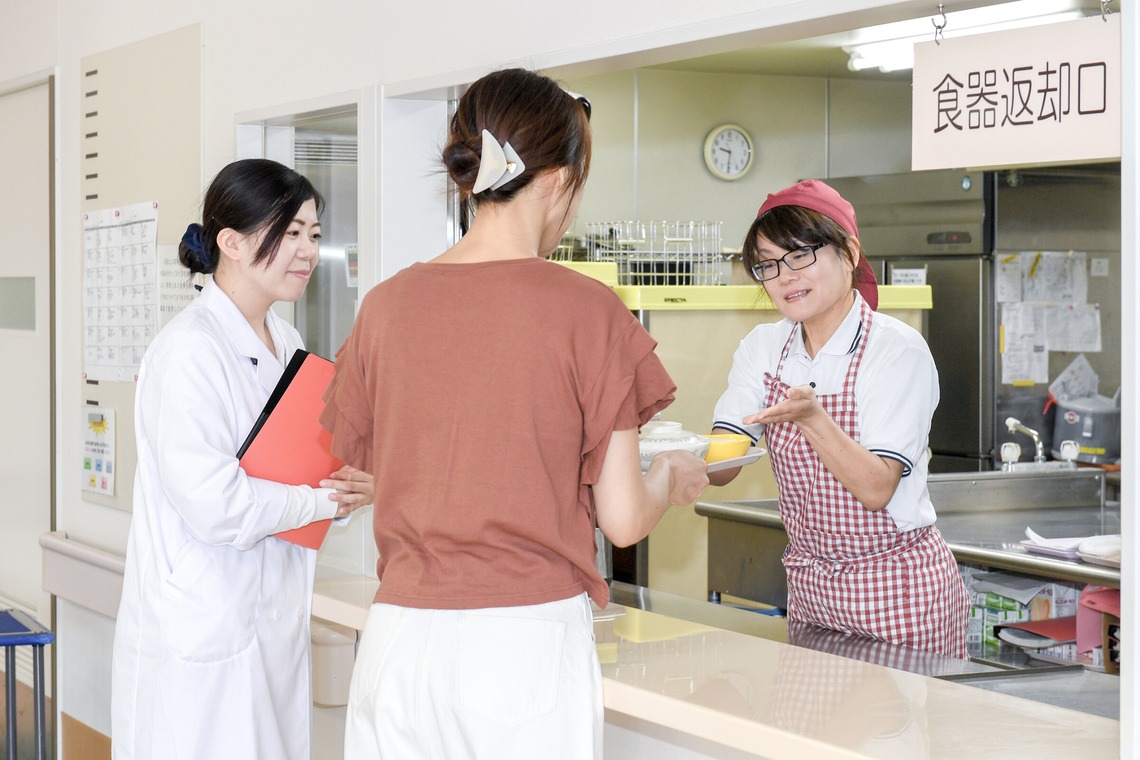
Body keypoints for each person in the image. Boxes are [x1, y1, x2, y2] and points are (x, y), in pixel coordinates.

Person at [320, 67, 709, 759]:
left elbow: (398, 462)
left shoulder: (386, 306)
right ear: (561, 179)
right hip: (520, 648)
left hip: (398, 643)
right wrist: (669, 479)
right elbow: (621, 518)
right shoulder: (586, 310)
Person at [111, 158, 373, 760]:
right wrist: (320, 499)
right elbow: (216, 505)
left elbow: (298, 476)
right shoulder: (187, 352)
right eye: (288, 233)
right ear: (229, 241)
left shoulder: (291, 347)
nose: (306, 250)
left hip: (271, 625)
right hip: (201, 636)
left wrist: (344, 493)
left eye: (313, 233)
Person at [709, 179, 968, 659]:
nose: (784, 276)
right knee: (813, 734)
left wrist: (812, 418)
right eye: (767, 264)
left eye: (801, 255)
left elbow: (876, 487)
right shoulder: (764, 348)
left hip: (899, 595)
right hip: (812, 594)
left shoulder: (895, 350)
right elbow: (725, 462)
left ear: (849, 253)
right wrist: (668, 458)